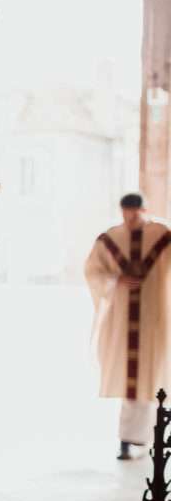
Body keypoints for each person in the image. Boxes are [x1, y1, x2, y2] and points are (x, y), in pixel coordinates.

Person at [84, 192, 171, 459]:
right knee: (129, 377)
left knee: (153, 375)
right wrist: (115, 281)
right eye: (124, 216)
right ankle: (127, 438)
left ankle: (149, 438)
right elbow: (93, 270)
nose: (129, 221)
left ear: (144, 210)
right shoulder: (109, 239)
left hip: (155, 316)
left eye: (133, 216)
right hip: (123, 319)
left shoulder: (164, 235)